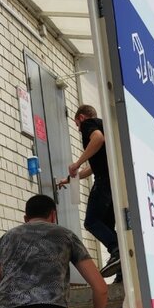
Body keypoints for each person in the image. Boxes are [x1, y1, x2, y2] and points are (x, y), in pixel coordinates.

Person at [64, 104, 121, 278]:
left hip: (105, 181)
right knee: (107, 225)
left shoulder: (89, 125)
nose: (79, 129)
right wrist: (69, 179)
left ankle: (117, 250)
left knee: (91, 221)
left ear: (81, 118)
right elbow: (92, 168)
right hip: (115, 181)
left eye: (77, 125)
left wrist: (77, 163)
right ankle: (121, 271)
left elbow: (97, 139)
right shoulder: (104, 125)